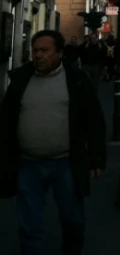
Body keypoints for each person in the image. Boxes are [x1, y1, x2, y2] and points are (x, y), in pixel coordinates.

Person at [0, 29, 106, 255]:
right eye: (36, 50)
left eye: (45, 51)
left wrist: (97, 157)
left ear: (59, 53)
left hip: (65, 163)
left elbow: (93, 120)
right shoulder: (20, 80)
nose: (38, 55)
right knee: (28, 226)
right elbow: (6, 120)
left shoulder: (75, 80)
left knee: (73, 220)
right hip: (28, 164)